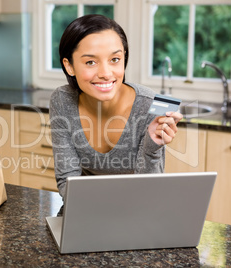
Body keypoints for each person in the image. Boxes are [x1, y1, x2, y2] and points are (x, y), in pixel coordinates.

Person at [49, 14, 183, 215]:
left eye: (115, 59)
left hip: (137, 213)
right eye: (90, 62)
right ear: (69, 66)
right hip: (84, 211)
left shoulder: (155, 105)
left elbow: (149, 192)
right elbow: (67, 181)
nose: (106, 73)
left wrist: (152, 146)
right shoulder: (61, 100)